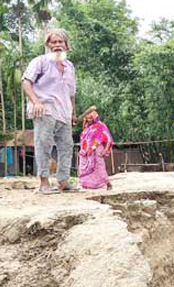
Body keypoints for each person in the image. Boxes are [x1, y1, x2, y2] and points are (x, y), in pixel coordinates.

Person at [21, 29, 78, 194]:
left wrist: (73, 113)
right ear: (48, 45)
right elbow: (26, 82)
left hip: (64, 112)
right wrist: (36, 102)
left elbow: (71, 93)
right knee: (43, 144)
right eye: (54, 42)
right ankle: (44, 183)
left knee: (67, 145)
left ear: (66, 45)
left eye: (61, 42)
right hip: (44, 109)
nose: (57, 45)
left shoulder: (69, 66)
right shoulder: (40, 61)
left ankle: (63, 181)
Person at [78, 106, 114, 190]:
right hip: (85, 152)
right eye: (87, 118)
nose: (89, 120)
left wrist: (105, 150)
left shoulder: (101, 125)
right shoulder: (86, 128)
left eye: (91, 118)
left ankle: (107, 183)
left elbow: (108, 138)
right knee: (84, 167)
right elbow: (84, 139)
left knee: (99, 167)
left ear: (95, 117)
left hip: (97, 150)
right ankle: (85, 185)